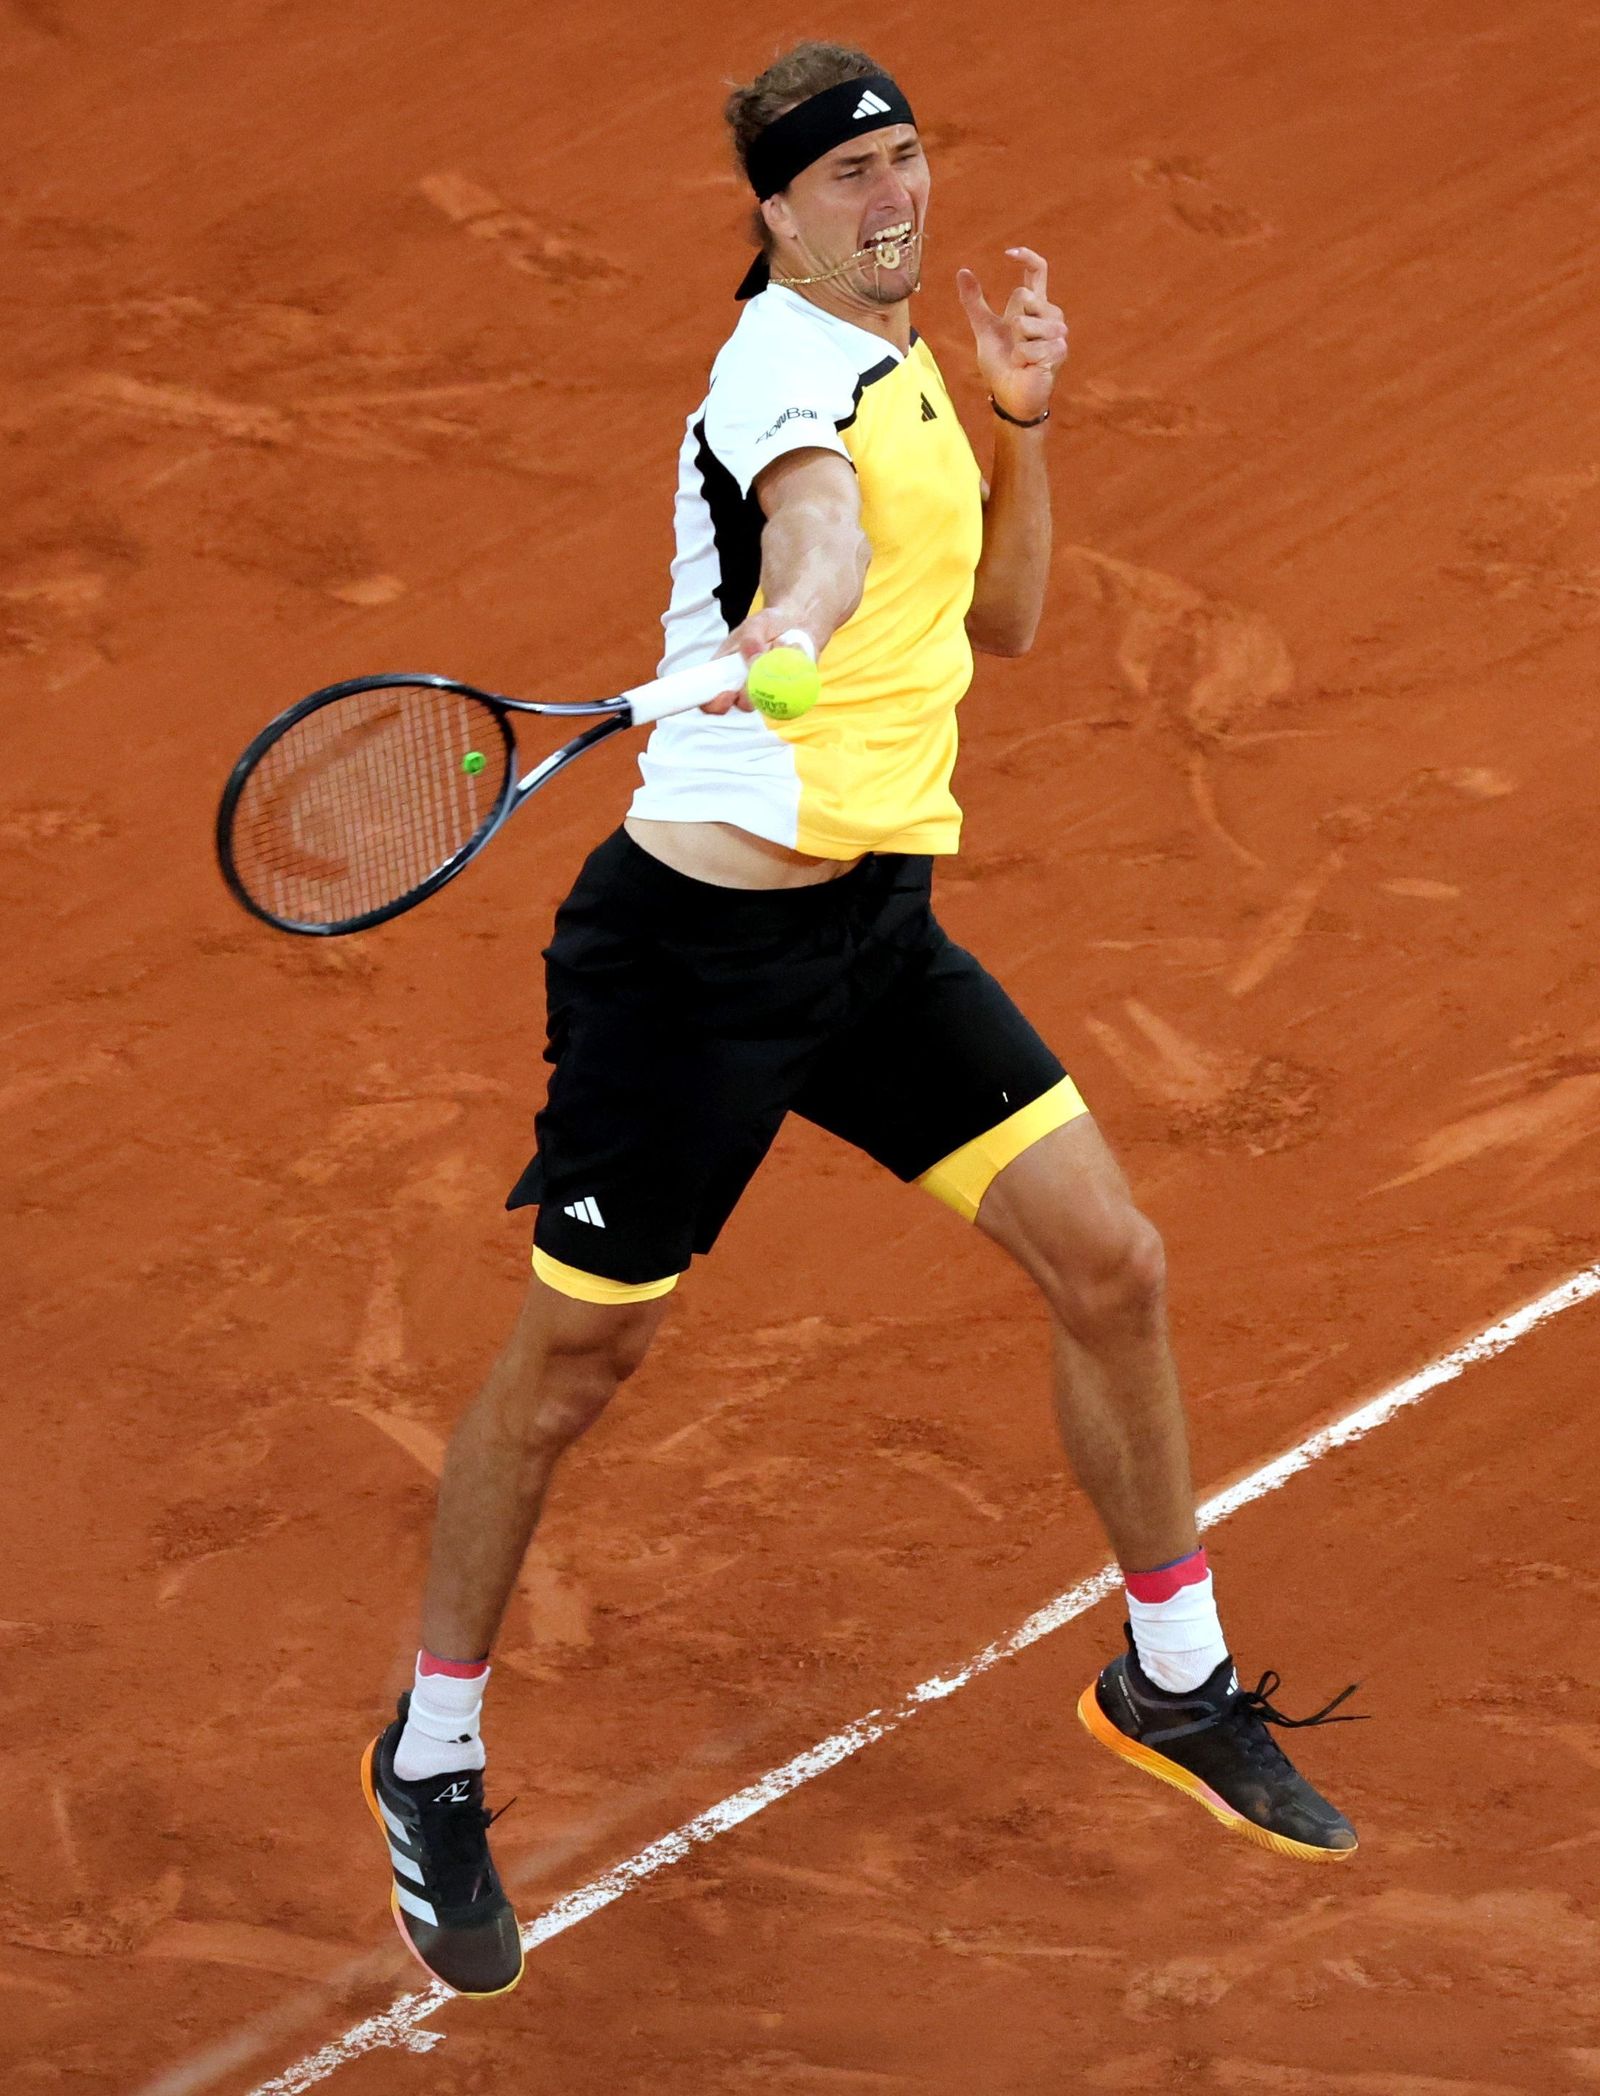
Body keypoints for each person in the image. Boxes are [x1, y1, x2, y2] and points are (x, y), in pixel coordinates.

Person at [360, 41, 1360, 2000]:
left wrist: (1022, 420)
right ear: (774, 210)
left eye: (905, 159)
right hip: (691, 971)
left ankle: (1166, 1682)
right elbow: (810, 534)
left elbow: (998, 624)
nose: (893, 198)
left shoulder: (903, 365)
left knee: (1110, 1261)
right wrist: (791, 618)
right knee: (568, 1376)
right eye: (849, 178)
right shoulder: (773, 382)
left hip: (873, 935)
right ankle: (434, 1747)